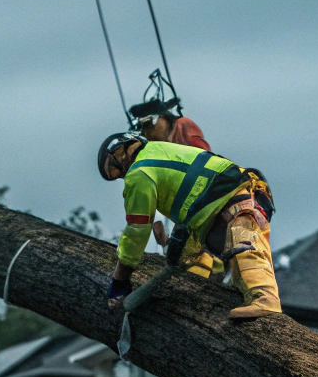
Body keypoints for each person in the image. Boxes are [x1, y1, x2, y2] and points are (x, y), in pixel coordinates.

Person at [97, 131, 281, 319]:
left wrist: (120, 278)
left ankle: (265, 300)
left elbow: (137, 229)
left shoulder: (139, 172)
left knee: (243, 247)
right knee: (189, 259)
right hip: (214, 208)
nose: (120, 175)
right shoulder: (160, 150)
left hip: (233, 199)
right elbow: (192, 191)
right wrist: (176, 247)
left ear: (123, 149)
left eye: (113, 167)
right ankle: (216, 293)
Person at [129, 101, 218, 278]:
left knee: (196, 252)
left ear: (162, 118)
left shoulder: (182, 126)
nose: (146, 132)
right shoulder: (157, 148)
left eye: (148, 124)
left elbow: (205, 159)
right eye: (141, 128)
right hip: (180, 210)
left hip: (199, 205)